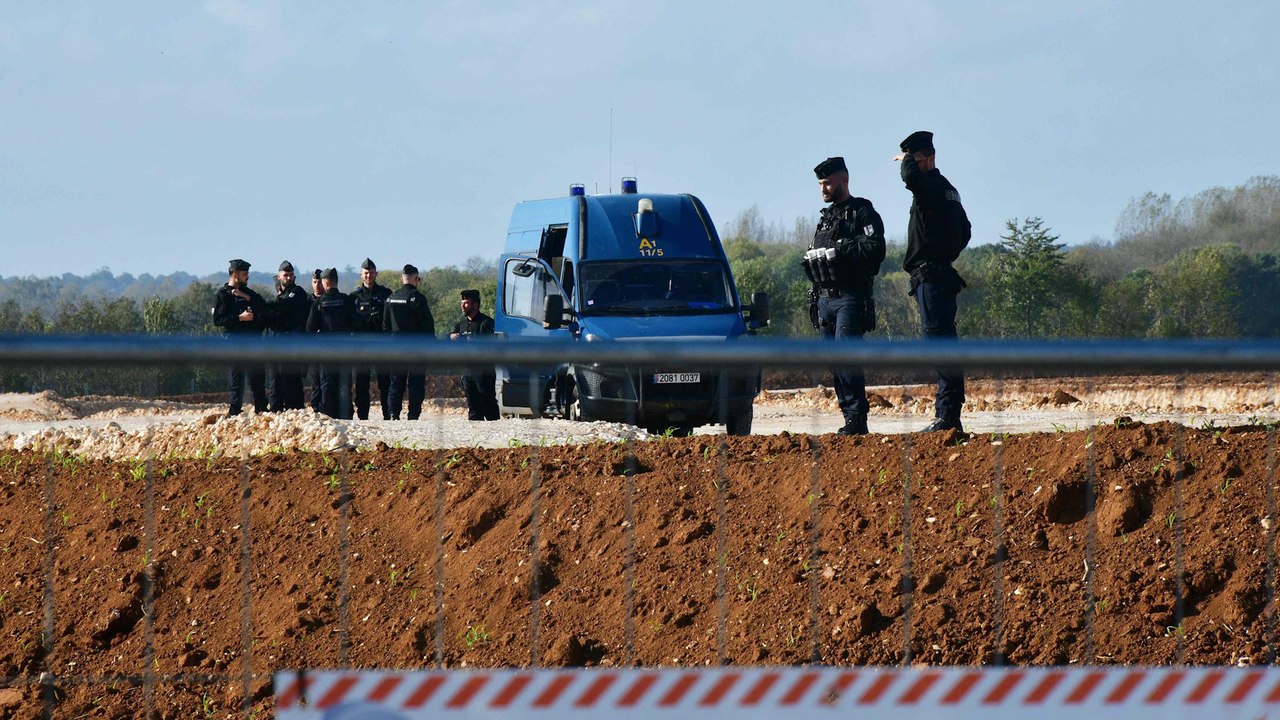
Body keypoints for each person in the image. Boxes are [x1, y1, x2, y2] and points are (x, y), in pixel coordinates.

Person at [802, 157, 886, 436]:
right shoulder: (826, 218)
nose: (823, 189)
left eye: (827, 183)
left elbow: (875, 250)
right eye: (820, 184)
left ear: (843, 180)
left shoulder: (862, 212)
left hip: (850, 297)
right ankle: (848, 416)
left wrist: (843, 246)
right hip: (825, 299)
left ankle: (856, 419)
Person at [896, 130, 971, 432]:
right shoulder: (947, 189)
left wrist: (905, 161)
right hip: (940, 274)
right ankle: (948, 415)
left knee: (941, 345)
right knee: (943, 344)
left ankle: (948, 417)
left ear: (927, 158)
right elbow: (966, 231)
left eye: (914, 158)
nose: (909, 164)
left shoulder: (927, 186)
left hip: (932, 276)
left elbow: (910, 178)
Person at [211, 258, 268, 416]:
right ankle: (235, 410)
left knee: (257, 377)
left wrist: (245, 296)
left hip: (253, 342)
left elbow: (264, 308)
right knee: (236, 379)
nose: (247, 277)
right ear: (234, 274)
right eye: (244, 274)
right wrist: (239, 318)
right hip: (234, 343)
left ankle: (261, 409)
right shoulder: (222, 295)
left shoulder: (249, 293)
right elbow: (218, 320)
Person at [382, 264, 436, 420]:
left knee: (396, 383)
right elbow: (427, 326)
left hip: (395, 348)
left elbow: (385, 326)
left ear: (402, 279)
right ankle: (413, 415)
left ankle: (393, 413)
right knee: (416, 383)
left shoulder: (391, 298)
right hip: (416, 349)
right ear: (416, 279)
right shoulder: (418, 299)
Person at [306, 268, 359, 419]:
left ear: (324, 282)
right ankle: (346, 415)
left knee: (327, 384)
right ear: (336, 282)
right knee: (344, 384)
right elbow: (357, 322)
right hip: (345, 350)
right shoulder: (347, 300)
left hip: (326, 351)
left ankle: (327, 416)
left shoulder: (319, 303)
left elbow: (310, 328)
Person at [350, 258, 392, 420]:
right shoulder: (354, 297)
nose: (369, 276)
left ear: (376, 273)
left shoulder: (385, 294)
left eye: (371, 272)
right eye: (366, 273)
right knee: (361, 383)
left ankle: (388, 416)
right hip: (362, 347)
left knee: (385, 382)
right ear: (361, 275)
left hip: (382, 345)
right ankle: (363, 416)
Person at [266, 260, 310, 411]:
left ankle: (295, 412)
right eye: (285, 275)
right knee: (275, 382)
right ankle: (275, 411)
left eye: (291, 275)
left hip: (293, 345)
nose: (289, 278)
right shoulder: (280, 296)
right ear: (279, 276)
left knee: (292, 383)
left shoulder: (298, 293)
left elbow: (283, 307)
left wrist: (263, 305)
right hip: (277, 345)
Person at [450, 289, 499, 421]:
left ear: (475, 305)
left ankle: (494, 431)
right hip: (467, 372)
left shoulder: (487, 323)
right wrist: (452, 337)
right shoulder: (461, 325)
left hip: (483, 372)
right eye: (462, 303)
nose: (462, 306)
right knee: (473, 406)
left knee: (488, 403)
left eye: (466, 303)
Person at [306, 269, 326, 412]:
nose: (317, 285)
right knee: (315, 383)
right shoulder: (307, 302)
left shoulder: (329, 300)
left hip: (327, 348)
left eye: (320, 282)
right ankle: (315, 410)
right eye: (314, 282)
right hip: (312, 348)